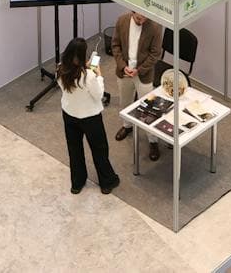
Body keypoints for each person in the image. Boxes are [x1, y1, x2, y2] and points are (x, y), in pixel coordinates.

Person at [58, 37, 120, 195]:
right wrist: (98, 74)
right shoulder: (89, 77)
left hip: (69, 115)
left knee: (74, 149)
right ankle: (107, 182)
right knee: (99, 149)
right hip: (90, 118)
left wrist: (85, 69)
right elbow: (98, 95)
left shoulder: (60, 70)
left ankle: (77, 183)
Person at [107, 10, 163, 161]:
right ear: (132, 12)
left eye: (144, 17)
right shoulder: (122, 21)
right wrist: (122, 65)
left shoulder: (156, 27)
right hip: (124, 70)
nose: (141, 20)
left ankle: (153, 140)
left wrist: (139, 70)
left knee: (149, 107)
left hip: (143, 73)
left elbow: (155, 54)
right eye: (138, 17)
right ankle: (127, 126)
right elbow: (115, 45)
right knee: (125, 101)